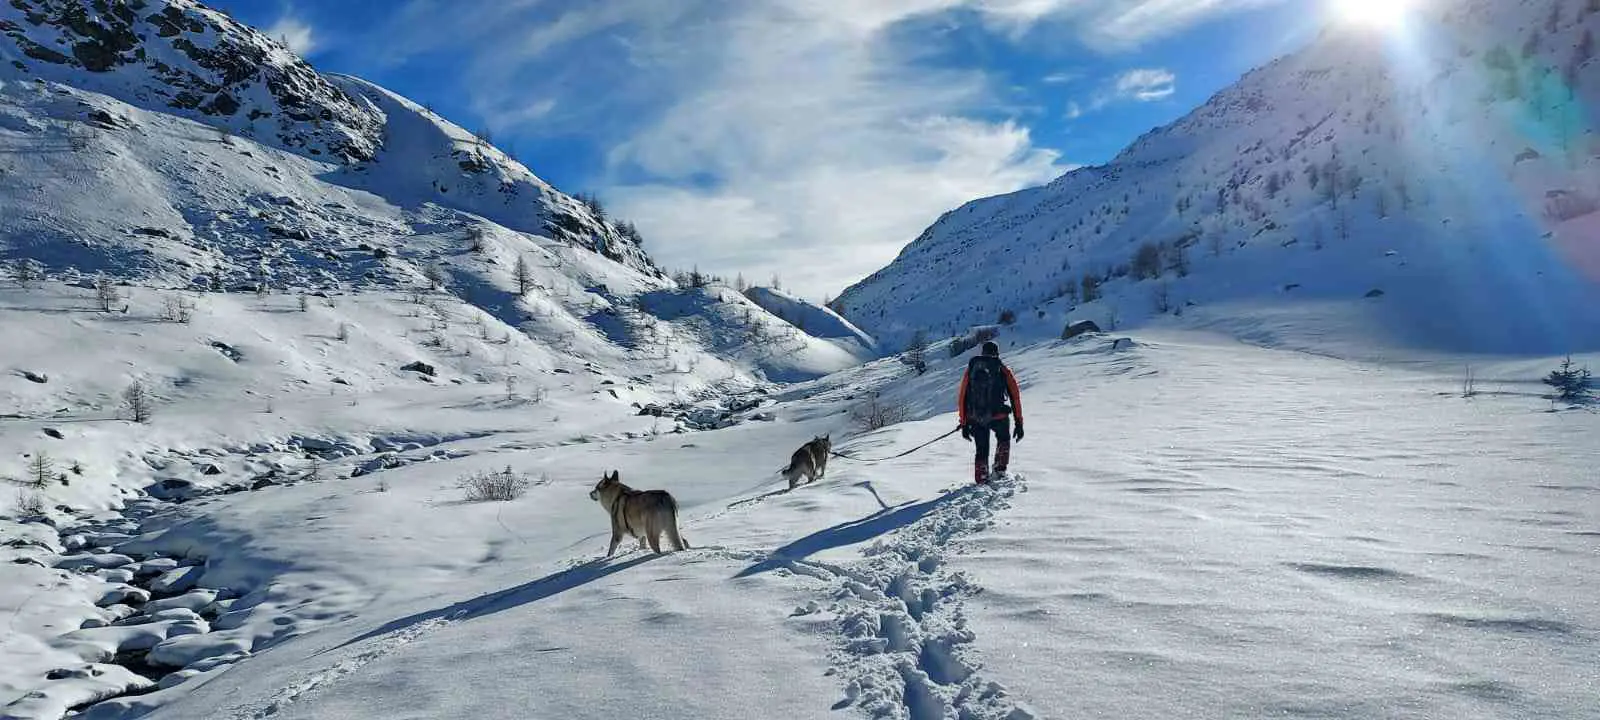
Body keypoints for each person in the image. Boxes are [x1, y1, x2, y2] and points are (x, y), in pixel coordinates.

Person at [956, 341, 1023, 484]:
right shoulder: (1002, 369)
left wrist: (964, 422)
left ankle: (981, 479)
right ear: (997, 353)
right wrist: (1019, 423)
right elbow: (1015, 396)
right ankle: (1000, 470)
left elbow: (962, 397)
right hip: (999, 415)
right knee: (1003, 439)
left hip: (976, 417)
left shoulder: (972, 369)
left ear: (982, 352)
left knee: (981, 449)